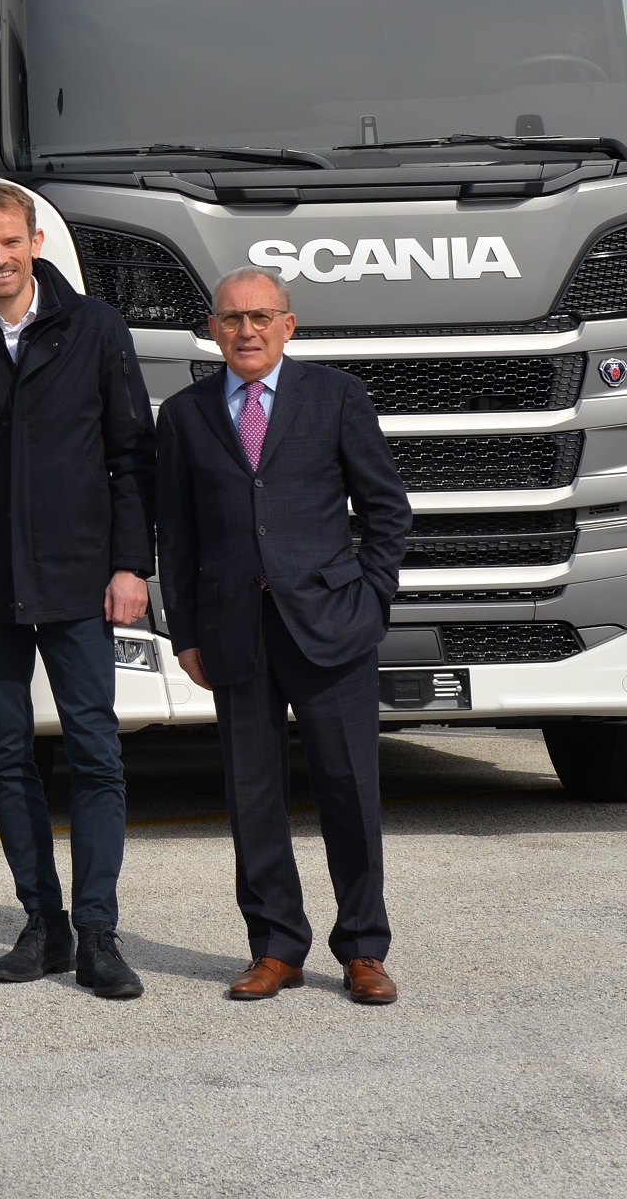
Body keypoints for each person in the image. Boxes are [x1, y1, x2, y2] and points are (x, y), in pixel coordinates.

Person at [0, 179, 156, 998]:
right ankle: (43, 926)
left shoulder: (95, 329)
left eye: (11, 242)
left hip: (80, 581)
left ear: (35, 244)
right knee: (8, 756)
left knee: (94, 751)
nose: (0, 257)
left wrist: (130, 565)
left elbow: (132, 458)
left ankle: (98, 933)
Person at [155, 268, 411, 1006]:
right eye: (232, 319)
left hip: (331, 627)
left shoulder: (336, 397)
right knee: (253, 795)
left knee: (349, 790)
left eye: (261, 316)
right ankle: (275, 947)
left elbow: (387, 510)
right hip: (234, 632)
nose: (247, 331)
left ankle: (363, 949)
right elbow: (177, 534)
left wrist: (371, 601)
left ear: (287, 326)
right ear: (213, 330)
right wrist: (186, 632)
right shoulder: (185, 415)